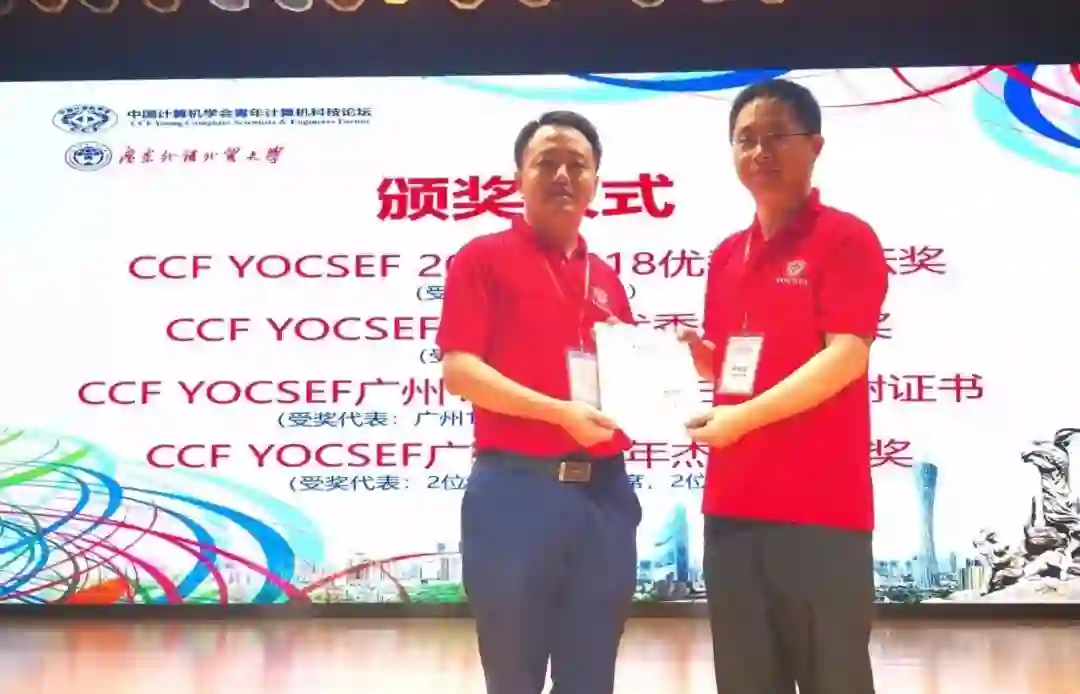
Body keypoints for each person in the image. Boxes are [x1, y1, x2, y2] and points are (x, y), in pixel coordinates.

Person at [679, 78, 889, 694]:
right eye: (745, 139)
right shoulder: (725, 257)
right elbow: (741, 371)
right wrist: (702, 364)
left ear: (815, 145)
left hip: (820, 512)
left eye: (776, 137)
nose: (759, 152)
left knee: (834, 679)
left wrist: (742, 420)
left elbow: (845, 356)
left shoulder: (845, 239)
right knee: (745, 680)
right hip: (732, 510)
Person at [437, 110, 643, 694]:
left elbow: (625, 382)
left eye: (577, 164)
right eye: (545, 163)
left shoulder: (605, 278)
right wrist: (557, 413)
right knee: (513, 676)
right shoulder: (482, 258)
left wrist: (674, 363)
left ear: (596, 180)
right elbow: (460, 371)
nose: (562, 176)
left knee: (591, 677)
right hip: (515, 494)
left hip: (604, 495)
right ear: (518, 178)